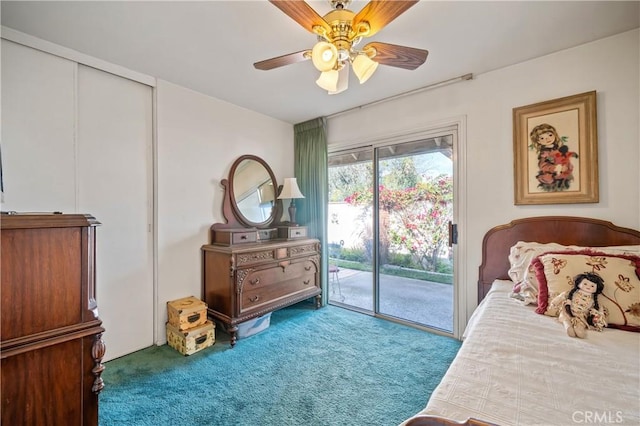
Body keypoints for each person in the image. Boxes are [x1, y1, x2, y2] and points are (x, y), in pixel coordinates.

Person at [548, 272, 606, 338]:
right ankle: (568, 326)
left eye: (592, 286)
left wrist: (597, 315)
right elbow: (561, 297)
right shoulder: (571, 294)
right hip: (568, 311)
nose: (588, 287)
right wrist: (554, 303)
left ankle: (579, 329)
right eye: (585, 284)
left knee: (581, 323)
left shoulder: (592, 301)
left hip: (580, 316)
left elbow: (595, 311)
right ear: (579, 283)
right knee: (565, 317)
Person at [529, 123, 578, 191]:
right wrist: (555, 168)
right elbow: (543, 166)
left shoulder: (558, 148)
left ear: (554, 135)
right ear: (538, 141)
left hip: (564, 173)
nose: (547, 139)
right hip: (552, 176)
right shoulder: (544, 153)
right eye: (542, 138)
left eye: (550, 135)